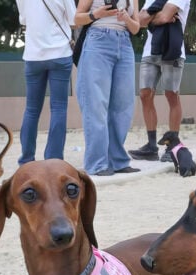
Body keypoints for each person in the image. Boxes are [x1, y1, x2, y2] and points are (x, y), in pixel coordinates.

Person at [75, 0, 142, 176]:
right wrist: (96, 14)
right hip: (98, 40)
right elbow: (76, 18)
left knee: (123, 106)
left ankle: (118, 161)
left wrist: (126, 17)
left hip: (125, 44)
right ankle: (97, 163)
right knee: (96, 105)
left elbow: (136, 28)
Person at [15, 0, 77, 165]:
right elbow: (74, 20)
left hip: (33, 55)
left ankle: (26, 159)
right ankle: (54, 158)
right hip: (60, 53)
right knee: (58, 108)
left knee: (31, 110)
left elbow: (24, 20)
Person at [128, 0, 191, 162]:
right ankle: (151, 146)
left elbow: (164, 17)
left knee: (172, 95)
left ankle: (173, 146)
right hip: (150, 51)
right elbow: (139, 21)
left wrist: (152, 16)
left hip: (172, 50)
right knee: (144, 94)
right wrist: (158, 16)